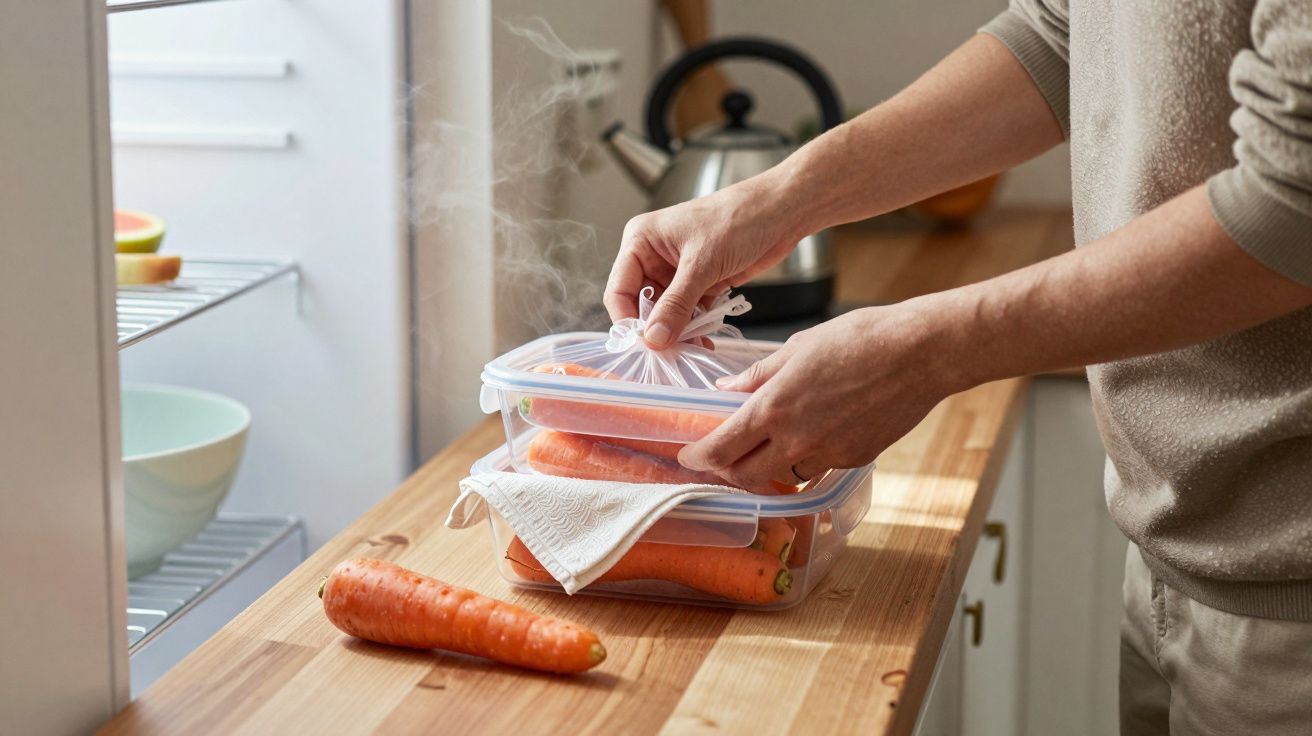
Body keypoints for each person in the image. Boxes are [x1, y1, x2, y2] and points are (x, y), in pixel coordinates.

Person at [604, 2, 1312, 734]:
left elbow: (1297, 193)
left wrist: (927, 348)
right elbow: (1062, 33)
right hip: (1179, 551)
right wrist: (772, 201)